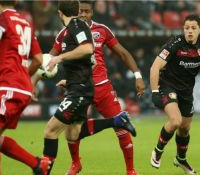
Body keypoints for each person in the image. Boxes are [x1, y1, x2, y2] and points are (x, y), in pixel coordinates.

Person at [47, 1, 145, 175]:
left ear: (92, 12)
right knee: (73, 129)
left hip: (102, 87)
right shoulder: (65, 32)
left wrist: (137, 75)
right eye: (80, 11)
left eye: (87, 11)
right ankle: (75, 164)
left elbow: (122, 53)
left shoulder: (102, 30)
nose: (83, 14)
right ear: (75, 12)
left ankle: (131, 170)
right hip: (79, 87)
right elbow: (49, 58)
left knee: (121, 129)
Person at [150, 14, 200, 174]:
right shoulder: (175, 43)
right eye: (187, 28)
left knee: (185, 129)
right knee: (175, 121)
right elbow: (155, 67)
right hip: (168, 86)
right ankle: (158, 151)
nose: (190, 31)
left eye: (193, 28)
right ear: (183, 29)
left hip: (186, 91)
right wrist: (154, 92)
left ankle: (181, 159)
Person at [0, 0, 50, 174]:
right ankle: (37, 165)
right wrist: (25, 76)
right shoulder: (25, 22)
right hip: (23, 88)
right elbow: (39, 59)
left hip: (10, 87)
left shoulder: (0, 19)